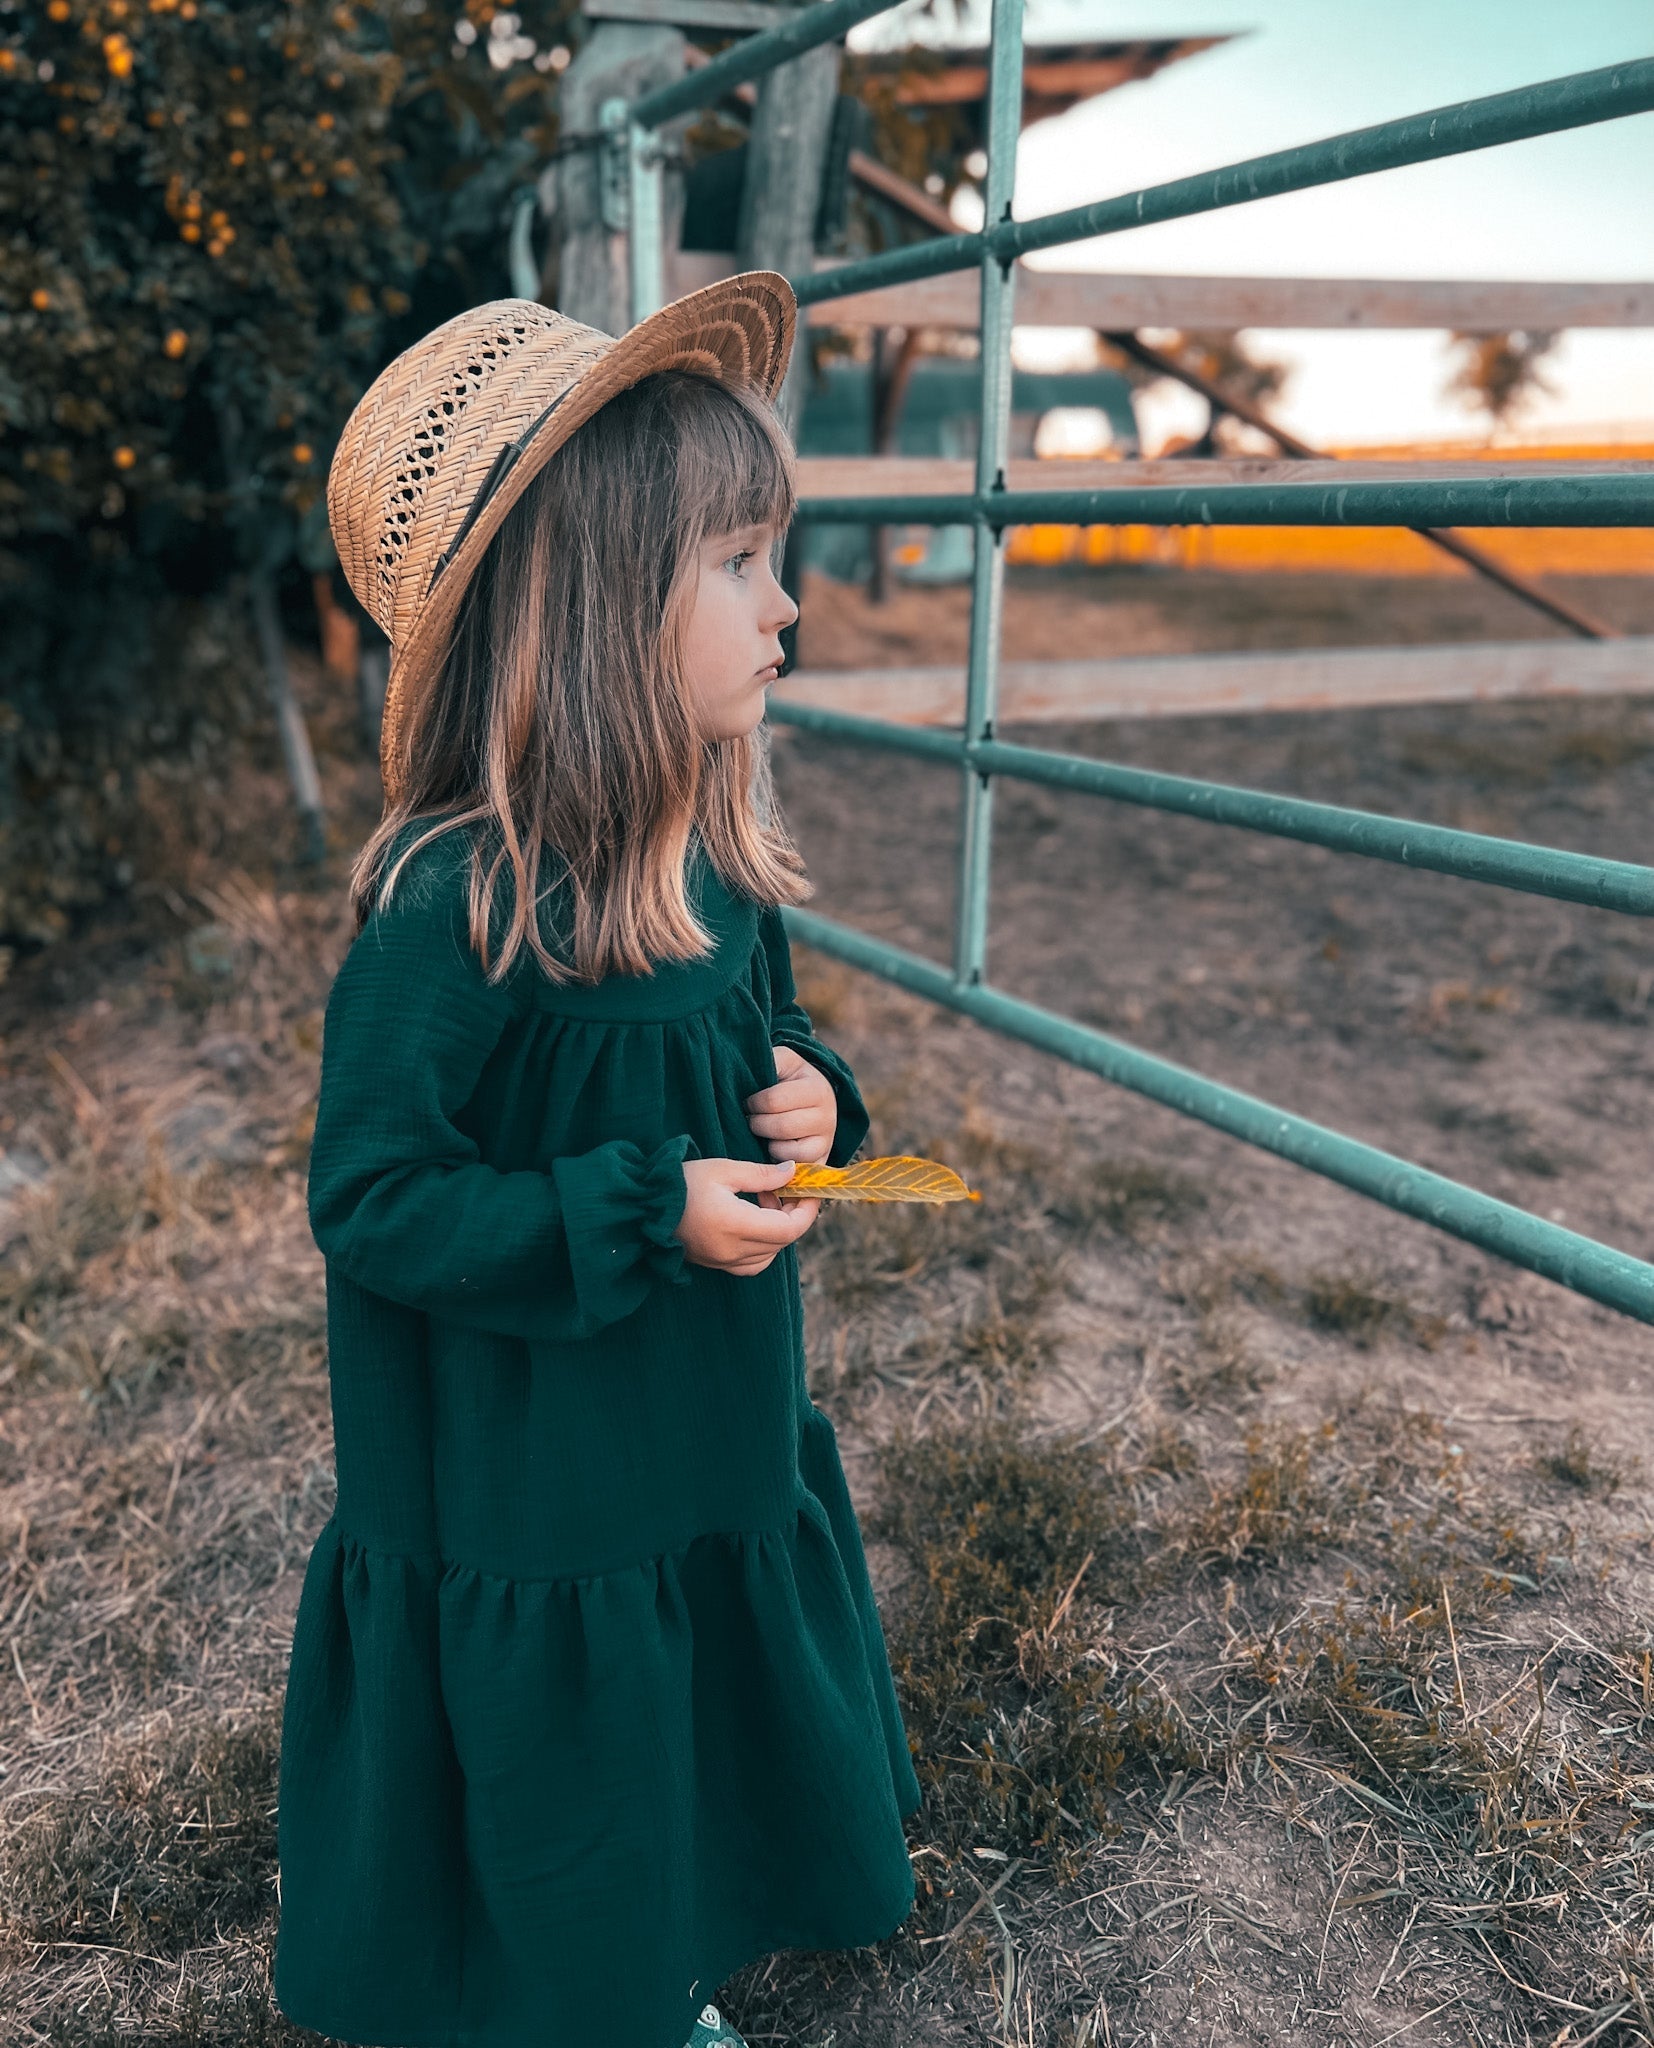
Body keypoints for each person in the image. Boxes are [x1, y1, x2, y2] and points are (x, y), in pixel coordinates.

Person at [270, 275, 922, 2048]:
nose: (787, 602)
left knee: (679, 1717)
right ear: (594, 603)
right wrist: (642, 1208)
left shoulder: (706, 875)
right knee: (576, 1758)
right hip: (534, 1480)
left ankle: (668, 1947)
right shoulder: (451, 914)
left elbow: (759, 1054)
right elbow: (373, 1199)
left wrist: (814, 1105)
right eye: (737, 562)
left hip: (695, 1430)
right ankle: (595, 1995)